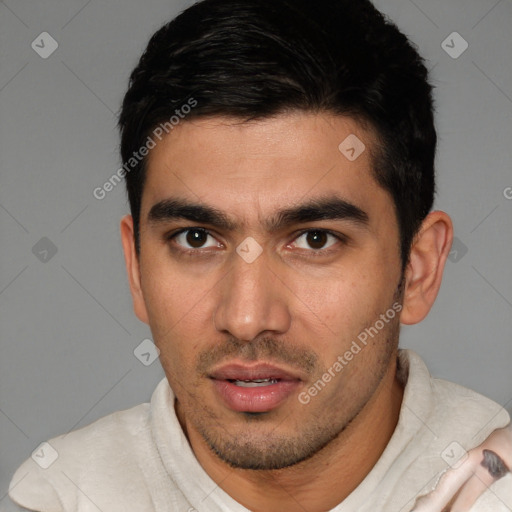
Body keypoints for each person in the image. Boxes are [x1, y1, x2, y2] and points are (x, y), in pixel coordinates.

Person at [8, 0, 511, 510]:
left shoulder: (496, 488)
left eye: (315, 239)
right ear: (136, 267)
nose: (247, 319)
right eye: (196, 238)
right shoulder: (64, 494)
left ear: (418, 269)